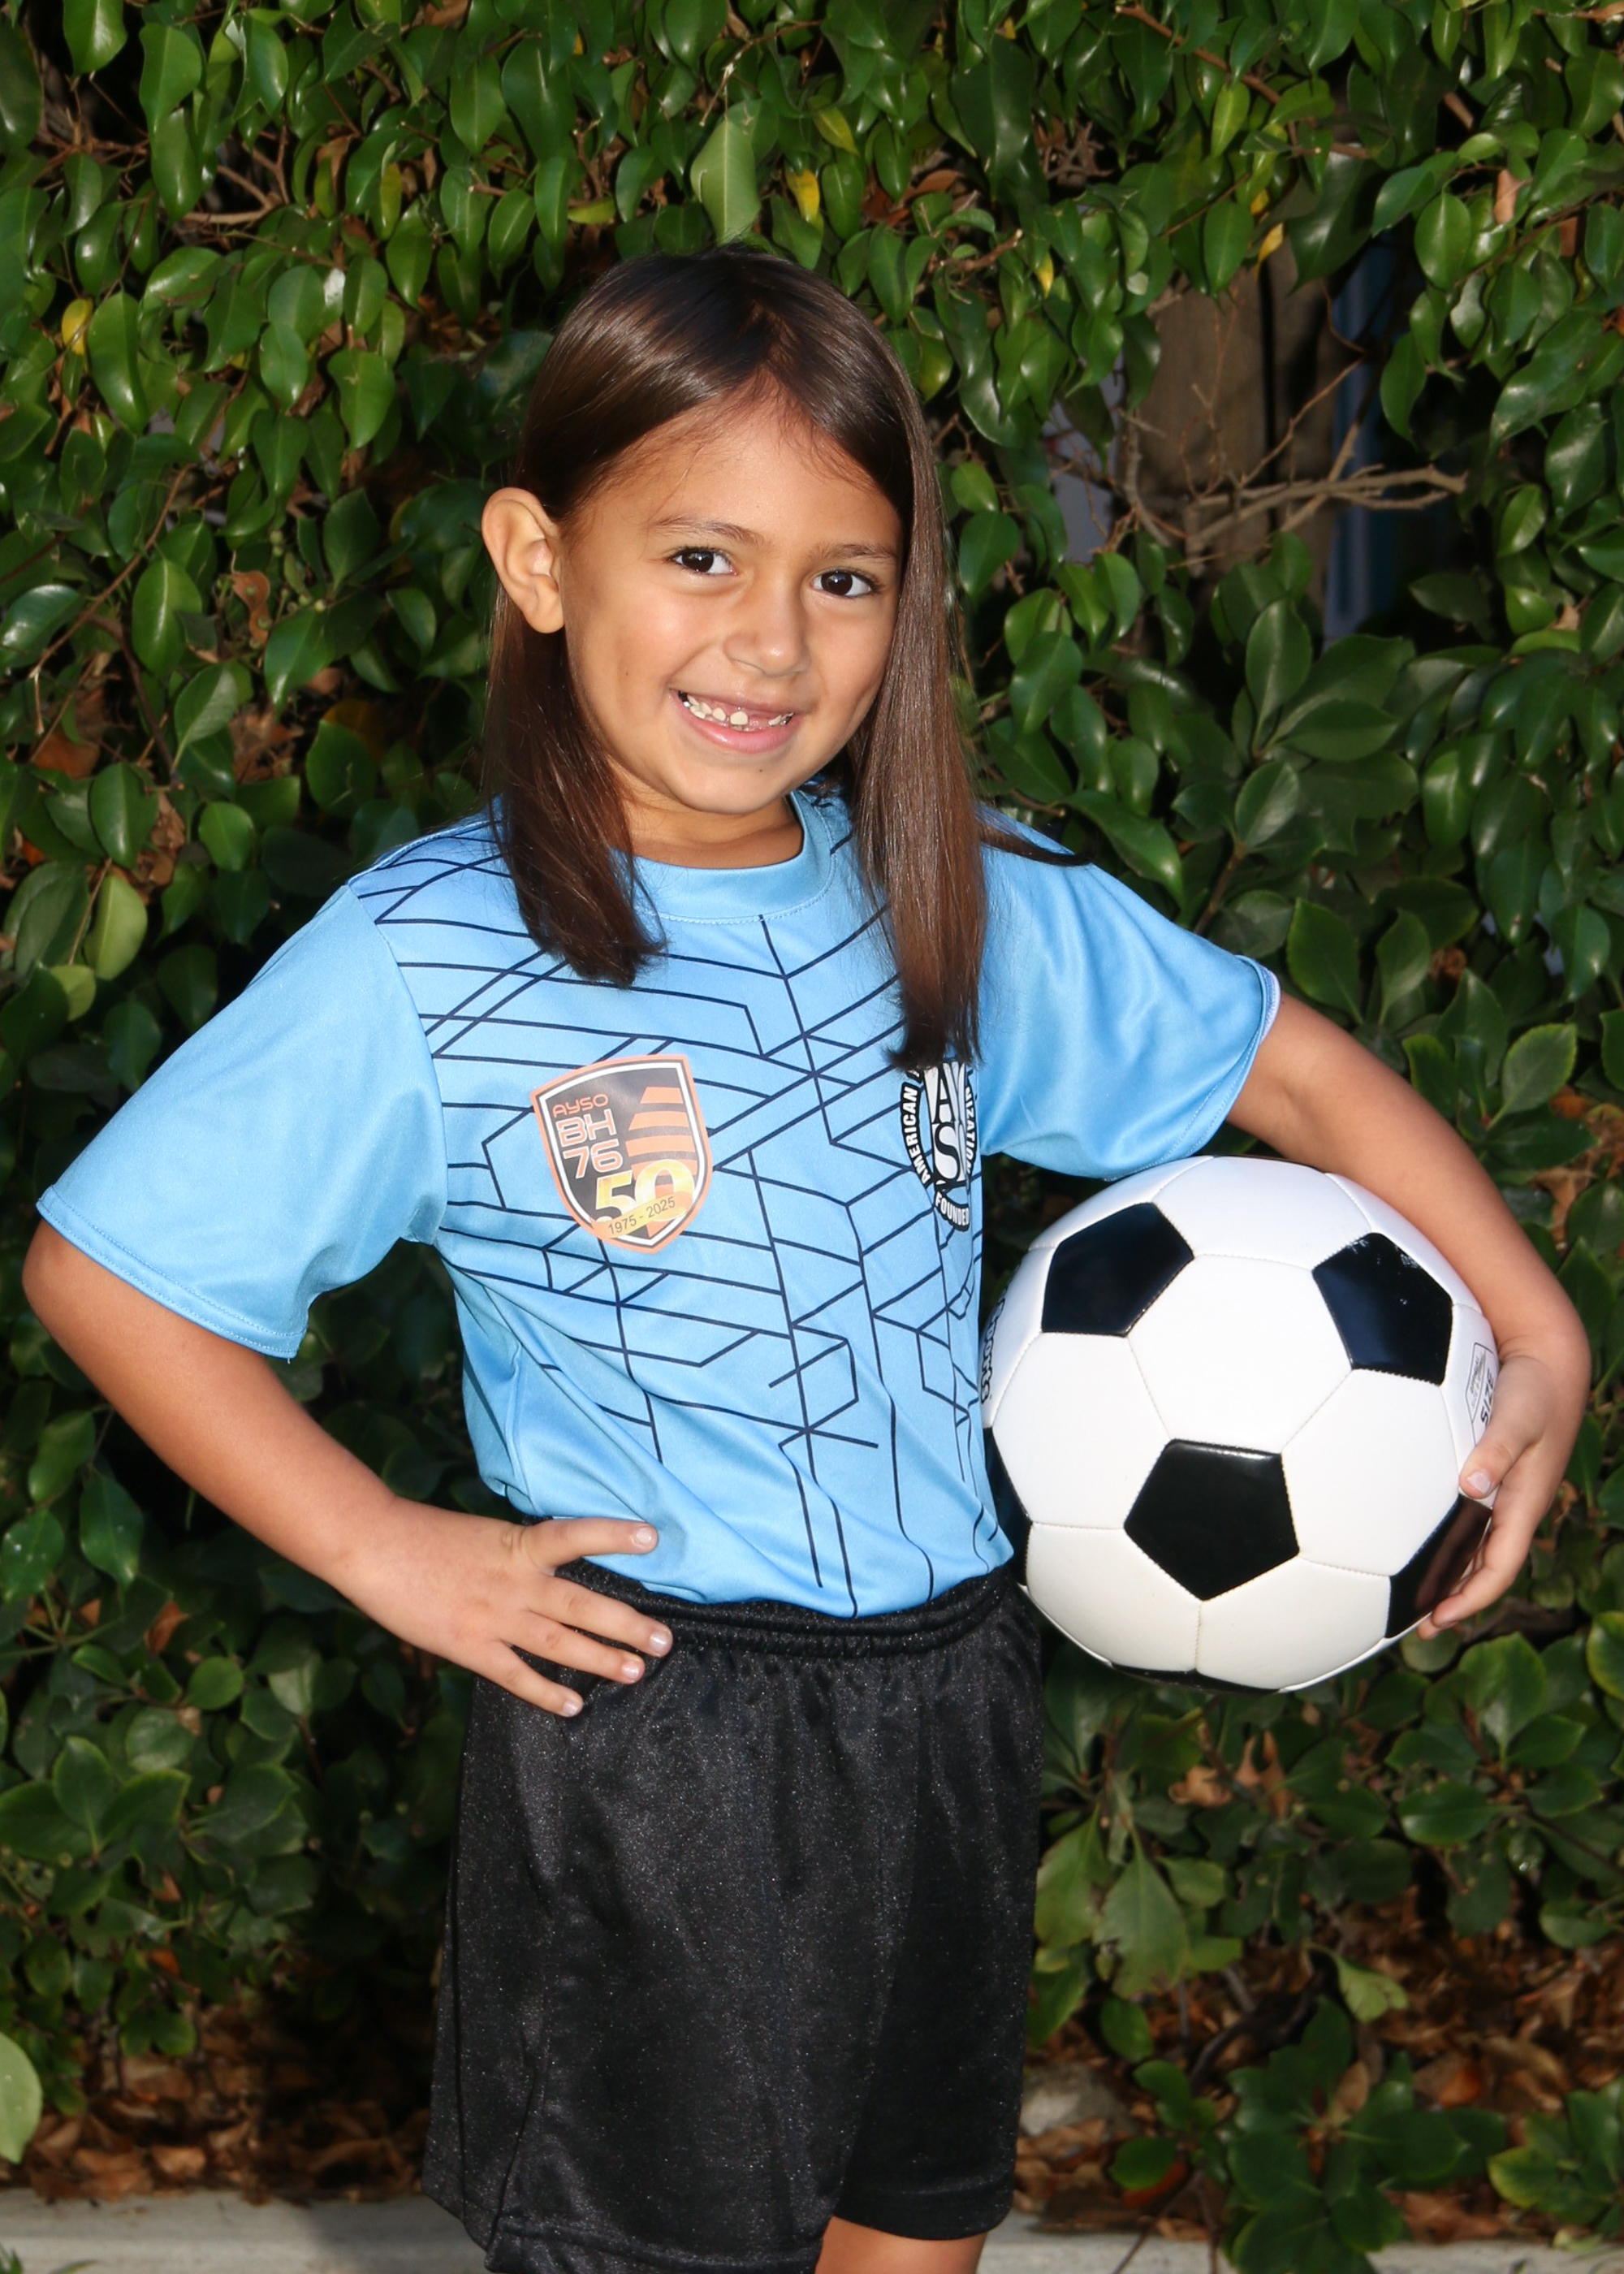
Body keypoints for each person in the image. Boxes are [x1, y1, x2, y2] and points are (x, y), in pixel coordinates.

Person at [24, 249, 1588, 2274]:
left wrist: (1535, 1332)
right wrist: (384, 1546)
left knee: (907, 2229)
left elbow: (1285, 1067)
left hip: (947, 1696)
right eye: (700, 555)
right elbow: (113, 1271)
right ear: (538, 559)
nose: (769, 639)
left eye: (842, 578)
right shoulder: (429, 956)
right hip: (656, 1726)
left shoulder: (947, 893)